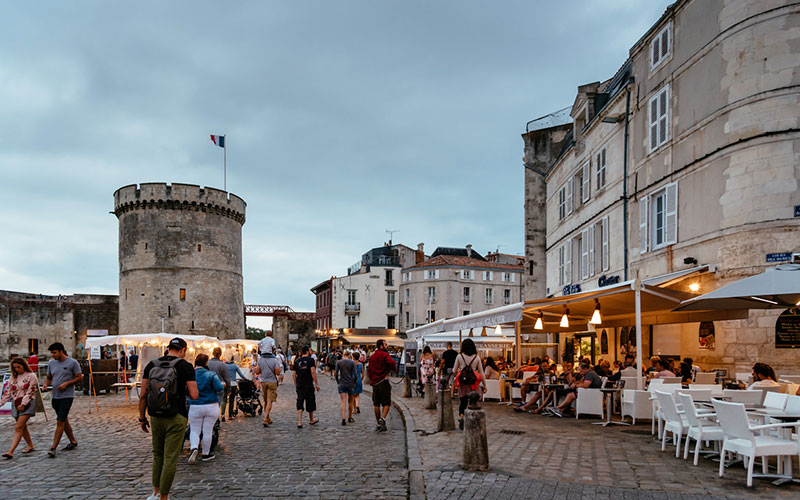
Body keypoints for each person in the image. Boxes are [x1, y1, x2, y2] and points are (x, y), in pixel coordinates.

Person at [139, 337, 198, 500]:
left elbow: (143, 394)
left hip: (155, 416)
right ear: (183, 350)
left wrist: (141, 418)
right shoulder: (185, 366)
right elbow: (194, 394)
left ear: (168, 348)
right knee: (170, 457)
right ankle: (164, 497)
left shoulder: (151, 365)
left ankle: (155, 492)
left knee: (157, 455)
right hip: (176, 416)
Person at [43, 342, 82, 458]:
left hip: (67, 396)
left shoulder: (72, 363)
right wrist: (46, 385)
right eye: (51, 353)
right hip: (55, 396)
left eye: (54, 352)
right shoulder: (51, 363)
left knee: (60, 421)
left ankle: (53, 447)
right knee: (63, 419)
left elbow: (79, 377)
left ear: (61, 351)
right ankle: (73, 441)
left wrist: (67, 383)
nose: (53, 355)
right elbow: (49, 377)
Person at [187, 354, 224, 464]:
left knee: (194, 430)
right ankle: (206, 454)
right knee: (207, 431)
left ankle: (194, 448)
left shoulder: (191, 375)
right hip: (211, 405)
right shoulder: (211, 374)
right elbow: (219, 388)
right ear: (206, 363)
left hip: (195, 405)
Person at [1, 358, 38, 459]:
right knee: (23, 427)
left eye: (18, 367)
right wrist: (1, 403)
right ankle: (30, 445)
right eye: (15, 367)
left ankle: (11, 451)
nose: (17, 369)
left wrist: (24, 403)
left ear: (23, 366)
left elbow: (30, 391)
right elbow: (7, 392)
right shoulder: (13, 377)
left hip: (27, 403)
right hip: (16, 403)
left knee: (18, 427)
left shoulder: (31, 376)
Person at [452, 338, 484, 430]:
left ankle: (462, 417)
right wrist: (485, 386)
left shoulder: (459, 356)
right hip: (473, 384)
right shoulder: (476, 357)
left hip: (463, 384)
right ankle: (472, 419)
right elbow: (481, 373)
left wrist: (460, 370)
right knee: (473, 402)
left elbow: (454, 371)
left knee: (463, 402)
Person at [367, 339, 397, 432]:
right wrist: (391, 369)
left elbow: (369, 370)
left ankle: (379, 424)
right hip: (383, 381)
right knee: (386, 403)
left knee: (376, 404)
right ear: (381, 346)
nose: (387, 346)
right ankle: (383, 418)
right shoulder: (385, 355)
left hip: (375, 383)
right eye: (385, 344)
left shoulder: (372, 356)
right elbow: (392, 363)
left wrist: (372, 379)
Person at [293, 345, 320, 428]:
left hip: (300, 384)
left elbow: (294, 374)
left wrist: (296, 384)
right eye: (310, 350)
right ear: (307, 351)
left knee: (300, 401)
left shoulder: (297, 361)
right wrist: (316, 384)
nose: (311, 351)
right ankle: (311, 419)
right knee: (310, 401)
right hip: (308, 384)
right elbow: (313, 372)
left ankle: (299, 422)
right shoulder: (311, 360)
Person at [256, 348, 283, 427]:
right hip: (272, 382)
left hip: (263, 382)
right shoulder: (274, 360)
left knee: (265, 401)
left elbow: (257, 371)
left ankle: (268, 418)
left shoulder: (260, 360)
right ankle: (265, 418)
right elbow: (277, 372)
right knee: (270, 401)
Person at [208, 347, 231, 422]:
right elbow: (227, 379)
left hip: (209, 386)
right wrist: (229, 389)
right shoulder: (222, 365)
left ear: (213, 353)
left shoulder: (207, 363)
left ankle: (211, 418)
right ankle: (216, 418)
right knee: (218, 403)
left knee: (209, 403)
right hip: (219, 386)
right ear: (220, 354)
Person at [335, 350, 358, 426]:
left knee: (343, 401)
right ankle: (350, 417)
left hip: (342, 383)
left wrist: (338, 382)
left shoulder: (339, 362)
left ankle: (343, 419)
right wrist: (354, 382)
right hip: (350, 384)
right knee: (350, 401)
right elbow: (355, 375)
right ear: (349, 355)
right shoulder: (352, 363)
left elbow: (336, 374)